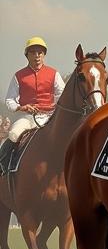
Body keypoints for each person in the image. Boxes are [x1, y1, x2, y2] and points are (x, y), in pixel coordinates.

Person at [0, 36, 65, 171]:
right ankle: (4, 166)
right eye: (33, 52)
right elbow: (9, 100)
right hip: (27, 117)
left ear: (44, 55)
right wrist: (21, 107)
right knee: (13, 134)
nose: (37, 56)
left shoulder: (54, 74)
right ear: (27, 55)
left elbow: (61, 95)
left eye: (40, 52)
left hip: (50, 116)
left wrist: (55, 110)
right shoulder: (18, 75)